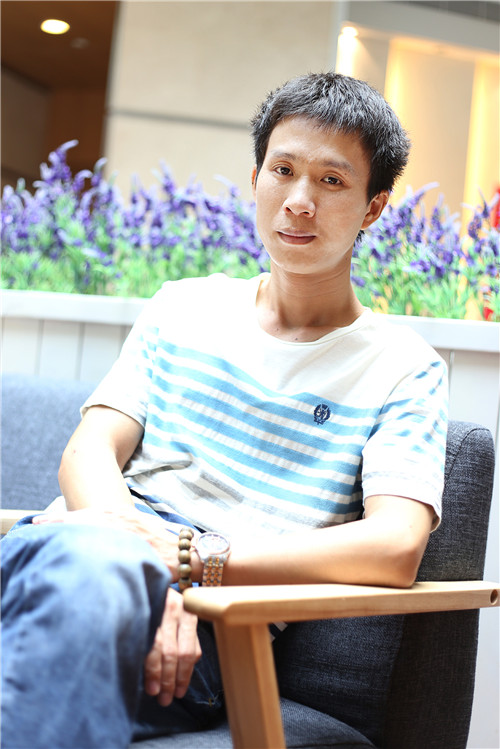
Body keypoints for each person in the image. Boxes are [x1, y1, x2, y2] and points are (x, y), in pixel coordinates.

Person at [1, 72, 448, 748]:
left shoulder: (403, 368)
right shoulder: (183, 305)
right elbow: (89, 451)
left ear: (373, 207)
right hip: (57, 552)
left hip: (207, 633)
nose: (298, 201)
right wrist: (148, 569)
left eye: (331, 181)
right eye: (283, 170)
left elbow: (394, 546)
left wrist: (192, 562)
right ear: (255, 177)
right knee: (82, 586)